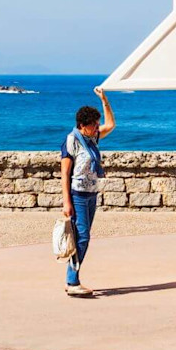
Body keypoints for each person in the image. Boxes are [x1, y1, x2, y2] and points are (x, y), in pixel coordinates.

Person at [59, 86, 115, 295]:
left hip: (92, 194)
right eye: (93, 124)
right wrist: (67, 202)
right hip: (78, 195)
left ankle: (72, 279)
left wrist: (104, 100)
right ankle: (72, 281)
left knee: (83, 236)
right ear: (83, 125)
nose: (97, 127)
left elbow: (111, 124)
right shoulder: (72, 140)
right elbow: (65, 173)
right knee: (82, 237)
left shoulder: (92, 139)